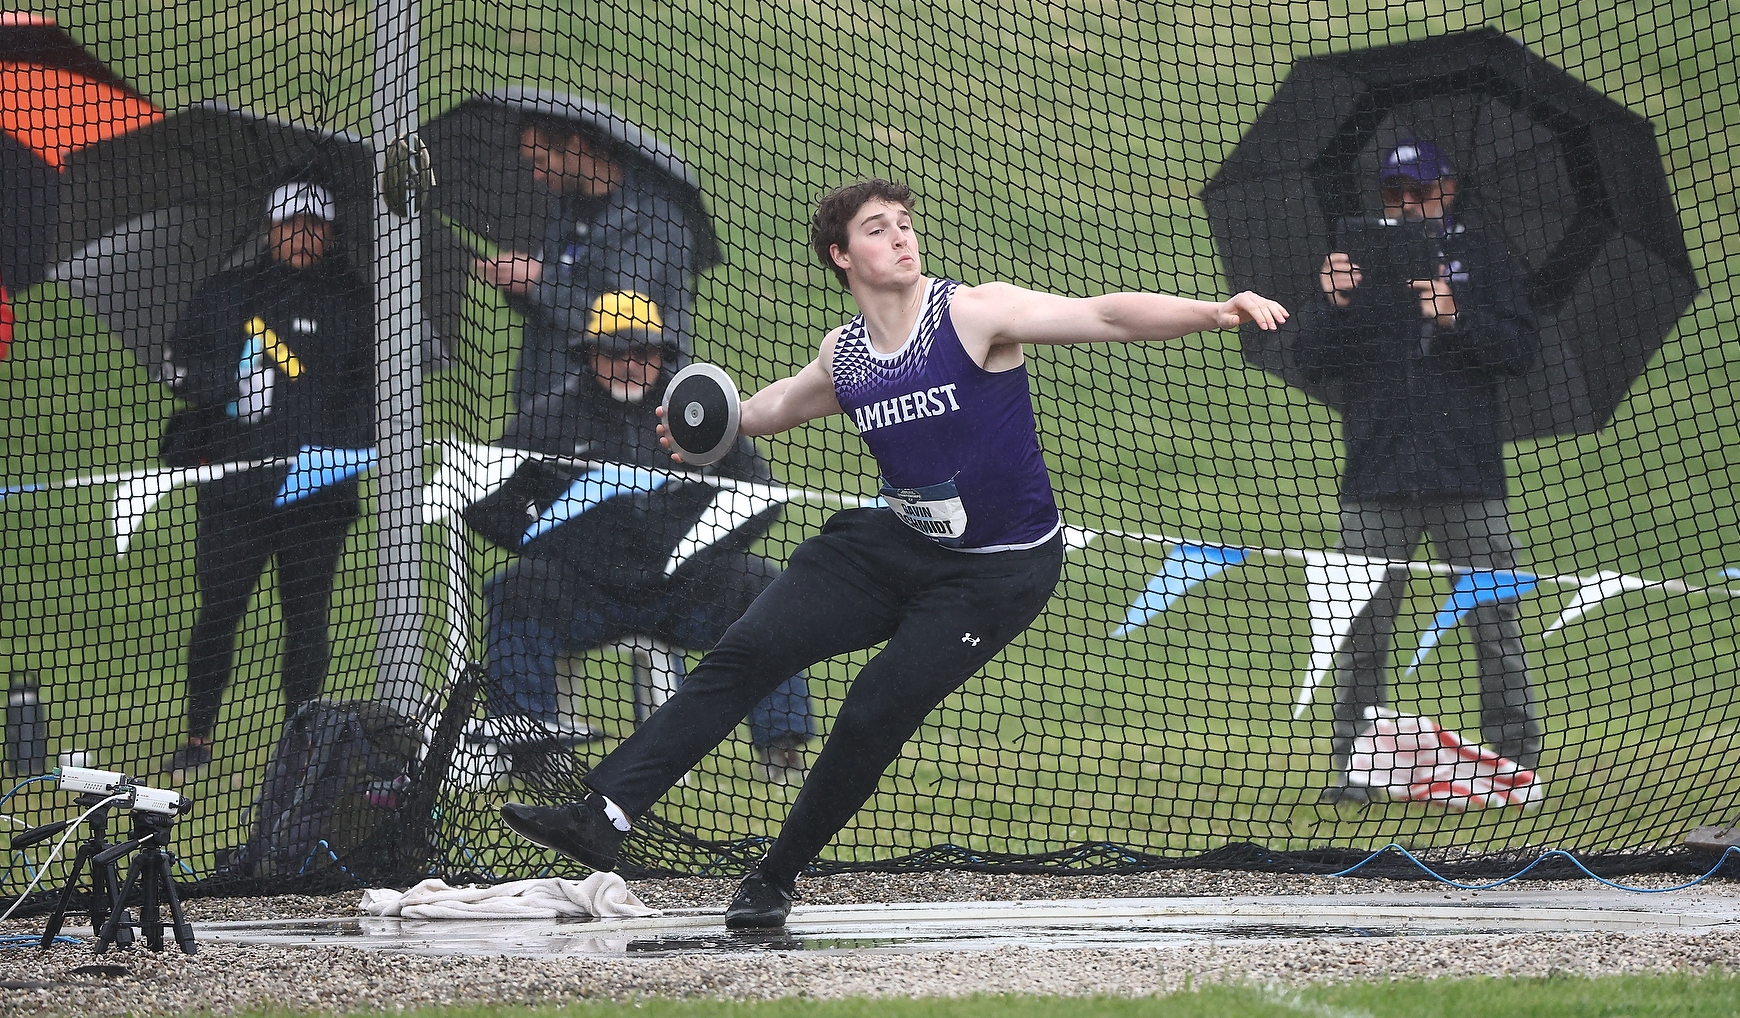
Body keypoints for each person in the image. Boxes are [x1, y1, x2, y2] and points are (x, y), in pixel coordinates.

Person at [498, 178, 1286, 927]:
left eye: (905, 225)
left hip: (998, 572)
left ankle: (774, 877)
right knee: (746, 652)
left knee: (875, 706)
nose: (901, 237)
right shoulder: (844, 354)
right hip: (893, 544)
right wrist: (710, 421)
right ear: (842, 256)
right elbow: (775, 407)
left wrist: (1215, 311)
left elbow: (1107, 315)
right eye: (878, 229)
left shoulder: (974, 315)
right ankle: (603, 815)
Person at [465, 289, 814, 781]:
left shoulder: (699, 411)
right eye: (614, 353)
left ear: (662, 354)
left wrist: (693, 551)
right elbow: (482, 500)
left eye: (643, 353)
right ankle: (530, 742)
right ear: (588, 355)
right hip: (583, 593)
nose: (630, 365)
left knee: (766, 586)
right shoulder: (546, 417)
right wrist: (551, 540)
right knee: (517, 588)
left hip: (685, 590)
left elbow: (761, 496)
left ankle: (784, 745)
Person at [1289, 141, 1542, 804]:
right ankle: (1354, 768)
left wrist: (1456, 317)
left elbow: (1519, 351)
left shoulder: (1485, 257)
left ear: (1449, 189)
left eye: (1420, 190)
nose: (1406, 204)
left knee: (1495, 622)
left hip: (1468, 475)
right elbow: (1309, 358)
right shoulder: (1355, 261)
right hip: (1376, 477)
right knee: (1361, 630)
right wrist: (1332, 303)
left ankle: (1516, 762)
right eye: (1394, 192)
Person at [161, 182, 375, 774]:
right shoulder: (227, 294)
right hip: (234, 495)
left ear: (333, 234)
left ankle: (301, 742)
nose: (302, 236)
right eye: (290, 225)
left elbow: (372, 403)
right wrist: (225, 390)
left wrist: (334, 453)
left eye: (315, 226)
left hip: (317, 496)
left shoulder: (358, 305)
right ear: (269, 229)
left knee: (307, 618)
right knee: (218, 612)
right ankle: (198, 735)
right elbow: (175, 366)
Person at [470, 113, 696, 410]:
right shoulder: (566, 208)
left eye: (540, 160)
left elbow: (622, 325)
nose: (536, 174)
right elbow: (557, 298)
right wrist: (516, 281)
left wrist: (537, 282)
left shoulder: (652, 222)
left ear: (576, 146)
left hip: (626, 412)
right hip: (552, 403)